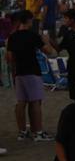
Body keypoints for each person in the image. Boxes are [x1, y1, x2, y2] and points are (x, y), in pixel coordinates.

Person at [6, 10, 57, 140]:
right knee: (35, 101)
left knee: (21, 102)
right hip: (32, 71)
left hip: (19, 72)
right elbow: (50, 52)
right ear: (28, 21)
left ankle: (22, 132)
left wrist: (13, 72)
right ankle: (38, 132)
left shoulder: (13, 36)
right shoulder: (32, 35)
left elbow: (10, 57)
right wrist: (46, 40)